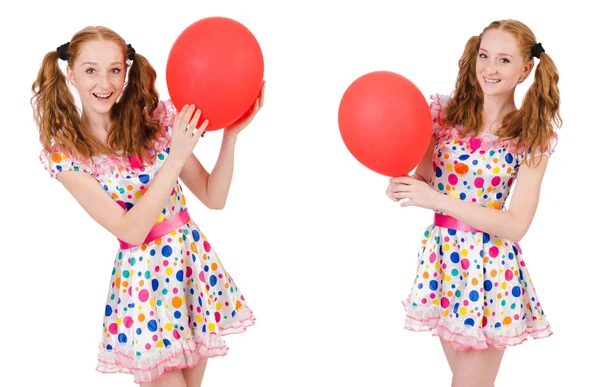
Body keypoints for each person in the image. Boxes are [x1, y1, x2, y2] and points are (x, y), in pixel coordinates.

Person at [32, 26, 264, 387]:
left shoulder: (152, 123)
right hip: (146, 283)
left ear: (126, 71)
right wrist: (175, 157)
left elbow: (212, 196)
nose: (104, 82)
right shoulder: (69, 155)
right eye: (91, 70)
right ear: (71, 73)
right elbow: (130, 229)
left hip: (190, 266)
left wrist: (232, 134)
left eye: (114, 69)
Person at [386, 19, 560, 387]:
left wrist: (435, 200)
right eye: (484, 55)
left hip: (491, 271)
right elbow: (425, 178)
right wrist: (403, 185)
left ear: (526, 69)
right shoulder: (445, 117)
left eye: (504, 60)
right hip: (443, 262)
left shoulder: (531, 134)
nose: (490, 68)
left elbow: (516, 225)